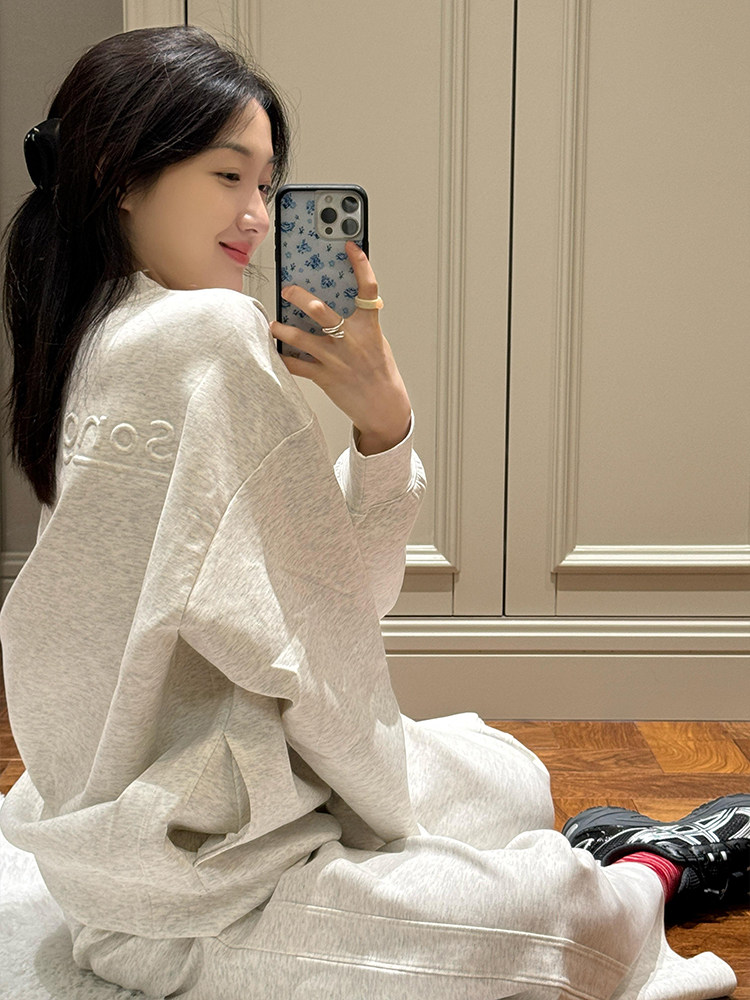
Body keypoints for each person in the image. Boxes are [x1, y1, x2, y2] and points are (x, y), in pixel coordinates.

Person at [0, 25, 747, 1000]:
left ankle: (458, 855)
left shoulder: (81, 331)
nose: (257, 215)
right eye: (228, 176)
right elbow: (334, 621)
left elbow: (312, 608)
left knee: (510, 781)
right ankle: (658, 867)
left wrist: (381, 430)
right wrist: (389, 809)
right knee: (556, 914)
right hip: (189, 886)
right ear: (119, 175)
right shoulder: (204, 333)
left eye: (267, 184)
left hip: (207, 792)